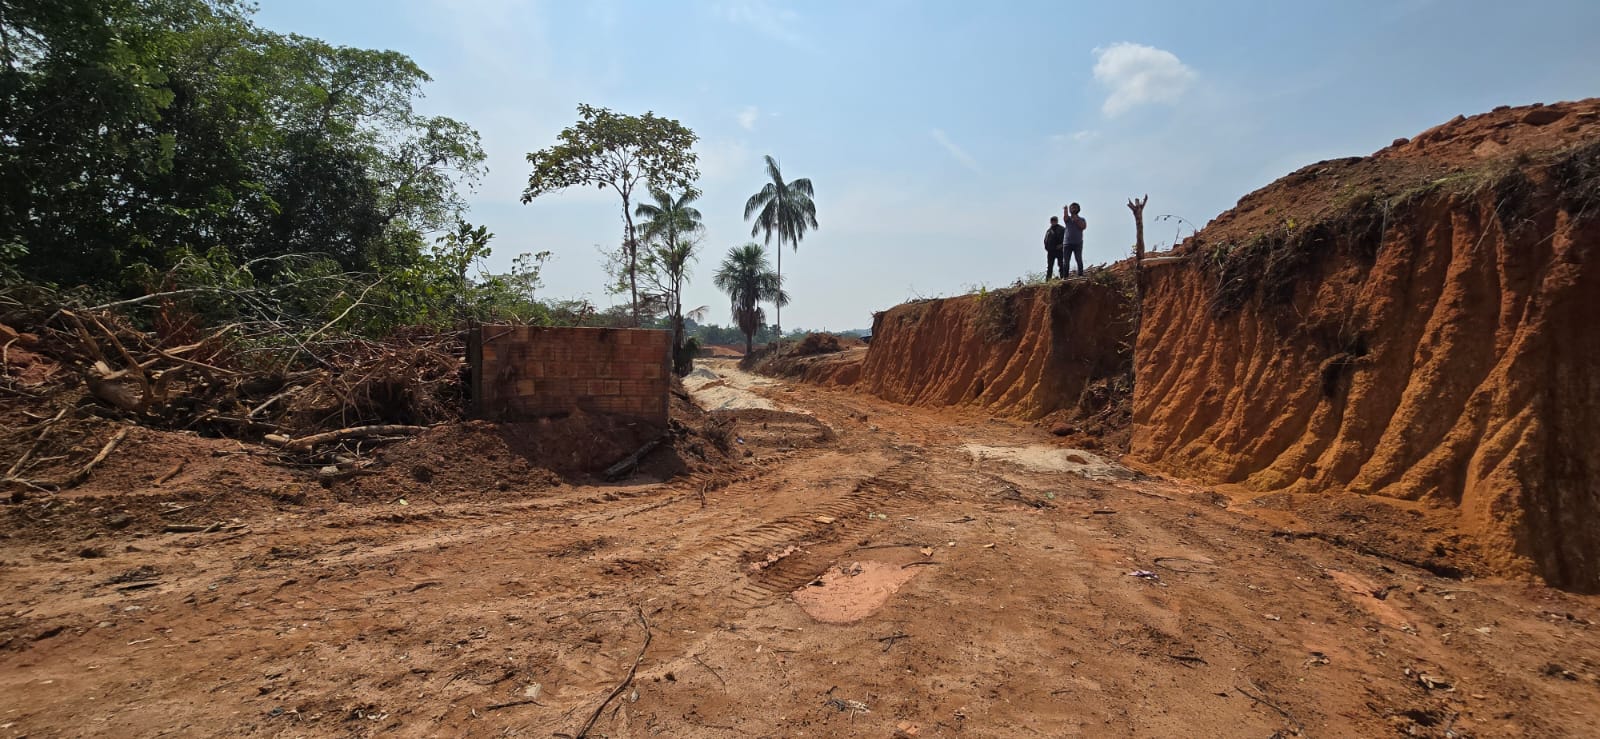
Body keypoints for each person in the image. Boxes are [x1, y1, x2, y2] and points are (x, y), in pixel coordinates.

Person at [1062, 202, 1087, 277]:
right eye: (1072, 208)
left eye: (1075, 207)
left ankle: (1080, 275)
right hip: (1067, 243)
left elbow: (1083, 227)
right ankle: (1065, 277)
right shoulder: (1068, 219)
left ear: (1078, 209)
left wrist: (1077, 220)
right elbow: (1065, 217)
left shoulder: (1082, 219)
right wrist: (1065, 210)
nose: (1073, 209)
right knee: (1066, 261)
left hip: (1077, 243)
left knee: (1079, 259)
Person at [1042, 215, 1066, 280]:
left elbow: (1066, 239)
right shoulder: (1049, 230)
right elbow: (1045, 240)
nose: (1053, 222)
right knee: (1050, 266)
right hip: (1050, 251)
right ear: (1050, 222)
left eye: (1055, 221)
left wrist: (1061, 245)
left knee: (1061, 265)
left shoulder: (1062, 229)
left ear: (1057, 221)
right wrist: (1047, 247)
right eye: (1052, 221)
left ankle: (1063, 278)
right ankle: (1048, 280)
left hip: (1059, 250)